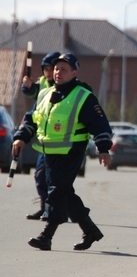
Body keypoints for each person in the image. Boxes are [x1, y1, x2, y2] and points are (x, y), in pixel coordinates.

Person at [12, 53, 113, 251]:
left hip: (72, 152)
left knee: (57, 192)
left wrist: (103, 149)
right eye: (56, 68)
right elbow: (32, 119)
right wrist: (21, 137)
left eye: (64, 69)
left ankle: (46, 236)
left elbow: (100, 124)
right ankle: (90, 230)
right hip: (49, 152)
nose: (58, 72)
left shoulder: (83, 96)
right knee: (65, 193)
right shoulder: (44, 94)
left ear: (74, 73)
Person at [21, 51, 59, 220]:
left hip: (60, 140)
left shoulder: (63, 86)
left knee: (57, 180)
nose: (48, 73)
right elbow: (33, 95)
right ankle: (46, 207)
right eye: (46, 69)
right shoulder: (43, 84)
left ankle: (58, 210)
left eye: (51, 69)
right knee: (40, 174)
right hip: (44, 139)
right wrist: (27, 86)